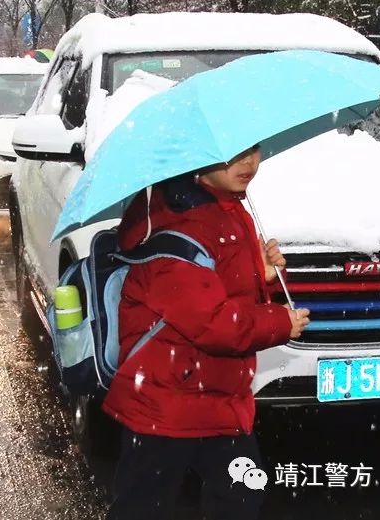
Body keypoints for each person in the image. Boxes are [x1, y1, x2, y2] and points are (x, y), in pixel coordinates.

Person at [103, 144, 311, 520]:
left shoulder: (230, 210)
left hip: (220, 399)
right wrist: (280, 322)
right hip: (165, 404)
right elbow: (213, 323)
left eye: (255, 150)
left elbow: (228, 290)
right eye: (235, 153)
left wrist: (262, 273)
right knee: (144, 507)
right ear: (197, 156)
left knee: (242, 499)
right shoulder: (175, 226)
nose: (249, 163)